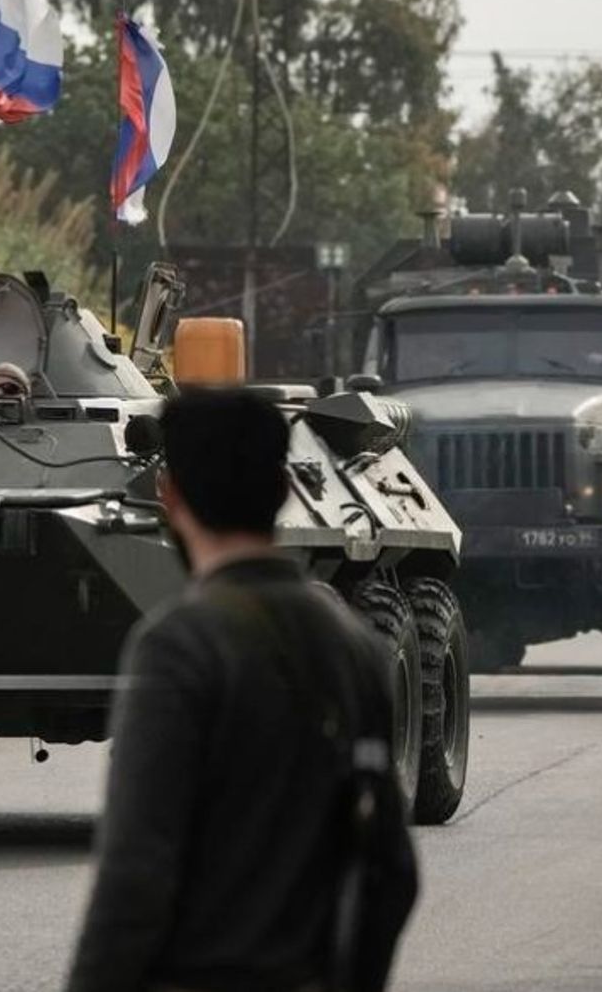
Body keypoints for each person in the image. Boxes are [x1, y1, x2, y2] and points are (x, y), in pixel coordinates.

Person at [66, 388, 416, 992]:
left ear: (167, 496)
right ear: (285, 489)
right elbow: (391, 870)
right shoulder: (355, 647)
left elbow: (136, 874)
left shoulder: (178, 645)